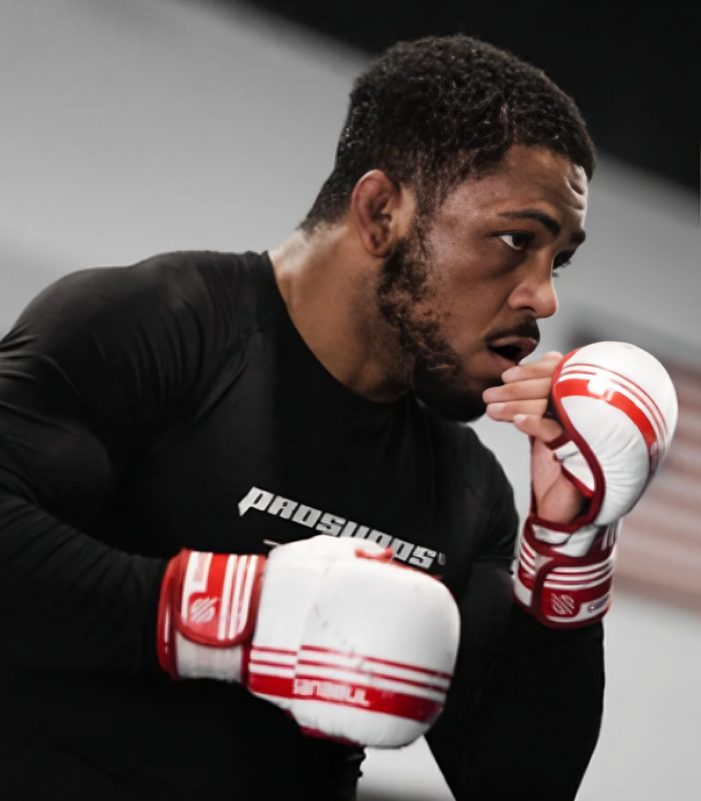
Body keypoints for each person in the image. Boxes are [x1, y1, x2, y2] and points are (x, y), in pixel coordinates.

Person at [0, 33, 629, 800]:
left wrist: (571, 551)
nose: (543, 296)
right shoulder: (157, 325)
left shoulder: (466, 491)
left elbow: (517, 784)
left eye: (555, 260)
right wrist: (238, 615)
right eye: (515, 240)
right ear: (381, 211)